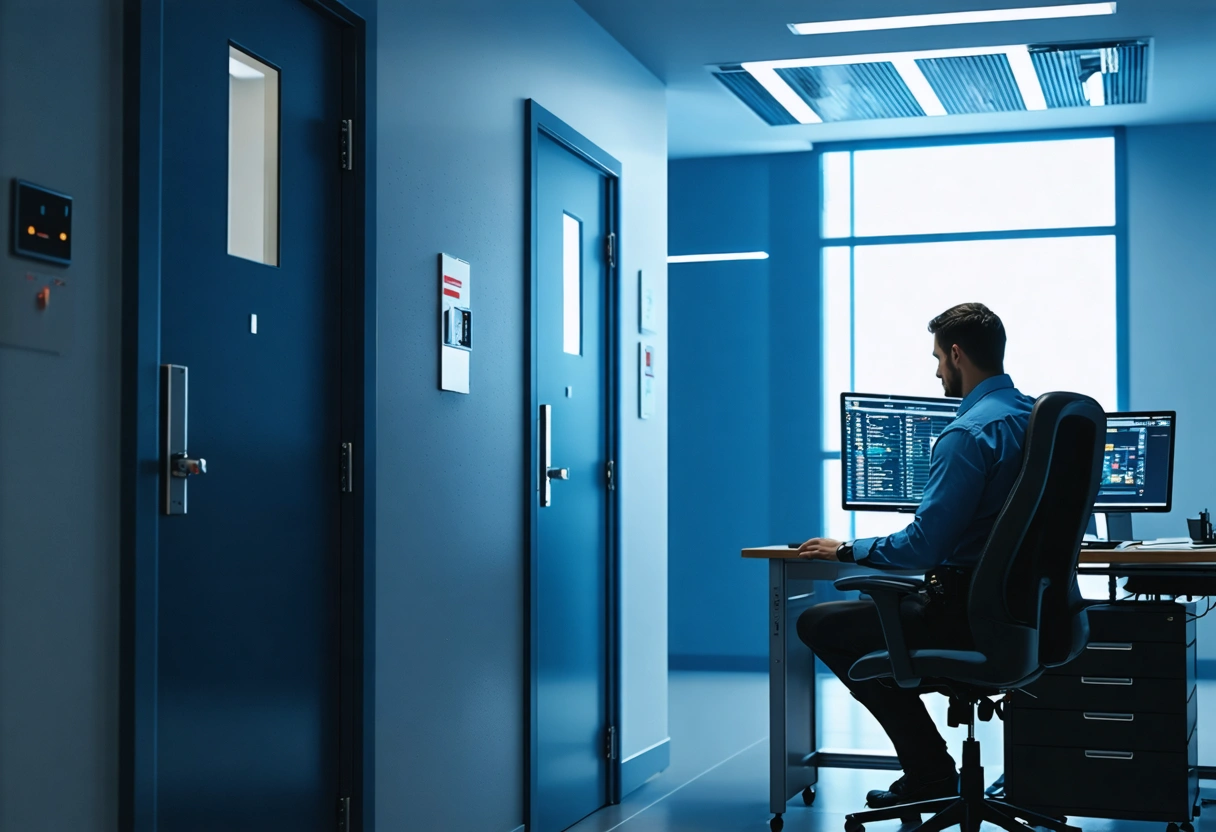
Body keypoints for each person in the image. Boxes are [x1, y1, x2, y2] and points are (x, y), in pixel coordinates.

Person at [795, 302, 1035, 809]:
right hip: (1032, 617)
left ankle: (929, 771)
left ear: (956, 353)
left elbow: (923, 547)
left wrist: (846, 548)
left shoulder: (967, 434)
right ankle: (939, 771)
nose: (936, 372)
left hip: (968, 618)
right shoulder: (1038, 420)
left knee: (818, 622)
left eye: (937, 359)